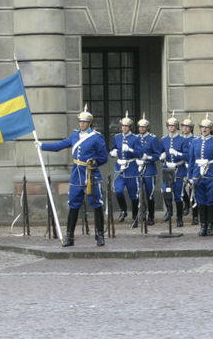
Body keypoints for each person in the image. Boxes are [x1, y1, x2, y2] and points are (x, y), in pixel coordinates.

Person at [37, 105, 108, 247]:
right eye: (80, 122)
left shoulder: (96, 137)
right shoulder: (74, 135)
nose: (82, 124)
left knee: (96, 204)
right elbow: (59, 145)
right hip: (77, 174)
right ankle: (69, 236)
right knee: (73, 205)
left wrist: (93, 163)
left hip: (91, 174)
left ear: (89, 123)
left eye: (84, 122)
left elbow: (104, 157)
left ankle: (99, 235)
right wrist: (42, 145)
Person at [188, 114, 213, 236]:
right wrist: (190, 176)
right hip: (198, 174)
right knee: (200, 200)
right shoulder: (195, 141)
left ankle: (210, 226)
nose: (204, 129)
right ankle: (202, 226)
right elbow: (191, 160)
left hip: (211, 174)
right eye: (202, 127)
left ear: (211, 129)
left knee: (210, 201)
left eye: (207, 127)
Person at [109, 112, 144, 227]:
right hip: (120, 167)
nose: (124, 128)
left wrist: (130, 149)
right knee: (118, 190)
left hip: (131, 168)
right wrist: (113, 153)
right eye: (122, 126)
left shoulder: (135, 138)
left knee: (133, 195)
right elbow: (113, 148)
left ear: (130, 127)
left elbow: (140, 153)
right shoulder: (117, 137)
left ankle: (134, 218)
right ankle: (123, 210)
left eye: (126, 126)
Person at [160, 113, 190, 227]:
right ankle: (169, 210)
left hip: (179, 169)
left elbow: (187, 156)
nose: (171, 128)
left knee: (178, 194)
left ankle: (179, 217)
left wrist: (177, 154)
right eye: (169, 126)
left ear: (176, 127)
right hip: (167, 168)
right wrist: (161, 156)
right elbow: (160, 152)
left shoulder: (182, 140)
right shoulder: (164, 139)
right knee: (165, 190)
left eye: (173, 126)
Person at [136, 113, 162, 226]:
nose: (141, 129)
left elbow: (158, 155)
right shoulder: (135, 138)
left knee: (149, 194)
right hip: (137, 168)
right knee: (137, 192)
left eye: (143, 127)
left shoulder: (152, 139)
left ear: (147, 128)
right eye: (140, 127)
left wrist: (149, 158)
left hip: (149, 169)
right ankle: (141, 213)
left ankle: (151, 216)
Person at [181, 115, 197, 224]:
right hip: (182, 167)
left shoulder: (195, 139)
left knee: (193, 192)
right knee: (180, 189)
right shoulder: (180, 139)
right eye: (183, 126)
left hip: (192, 167)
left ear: (191, 128)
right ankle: (186, 204)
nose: (185, 128)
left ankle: (195, 216)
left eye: (187, 127)